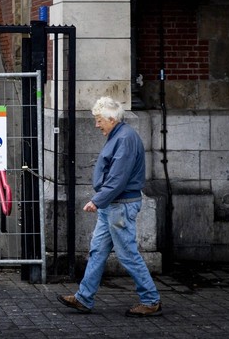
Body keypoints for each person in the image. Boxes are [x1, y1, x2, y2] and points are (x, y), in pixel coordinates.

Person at [58, 96, 162, 317]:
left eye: (98, 120)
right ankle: (84, 298)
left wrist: (97, 200)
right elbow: (117, 177)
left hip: (119, 206)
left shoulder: (124, 138)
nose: (96, 125)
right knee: (98, 250)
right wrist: (102, 200)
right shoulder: (122, 135)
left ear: (111, 119)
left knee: (127, 254)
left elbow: (117, 178)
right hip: (115, 205)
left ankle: (151, 300)